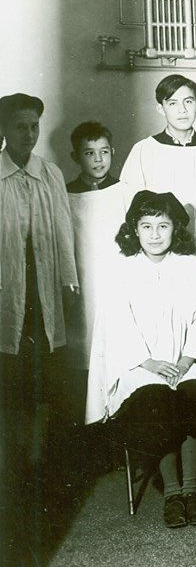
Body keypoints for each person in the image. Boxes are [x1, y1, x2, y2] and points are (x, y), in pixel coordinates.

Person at [86, 191, 196, 528]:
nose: (155, 234)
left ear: (176, 229)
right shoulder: (122, 270)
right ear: (134, 230)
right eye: (147, 226)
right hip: (138, 367)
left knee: (192, 398)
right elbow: (118, 326)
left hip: (186, 362)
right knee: (157, 401)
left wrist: (187, 362)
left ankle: (192, 492)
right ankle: (173, 494)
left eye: (163, 225)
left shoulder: (193, 266)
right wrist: (151, 364)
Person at [0, 93, 79, 553]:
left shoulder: (49, 173)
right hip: (8, 291)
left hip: (43, 290)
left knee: (43, 378)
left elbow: (63, 231)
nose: (28, 134)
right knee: (10, 378)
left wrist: (68, 282)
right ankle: (11, 465)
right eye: (20, 126)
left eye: (34, 126)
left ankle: (36, 463)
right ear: (4, 130)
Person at [120, 74, 196, 268]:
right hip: (157, 253)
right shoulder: (144, 150)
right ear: (160, 108)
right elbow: (130, 207)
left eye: (188, 101)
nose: (182, 110)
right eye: (172, 103)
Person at [66, 121, 129, 369]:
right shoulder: (66, 194)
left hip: (116, 275)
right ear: (75, 156)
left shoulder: (124, 191)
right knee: (84, 340)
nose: (98, 159)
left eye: (104, 151)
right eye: (89, 153)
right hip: (83, 276)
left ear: (112, 152)